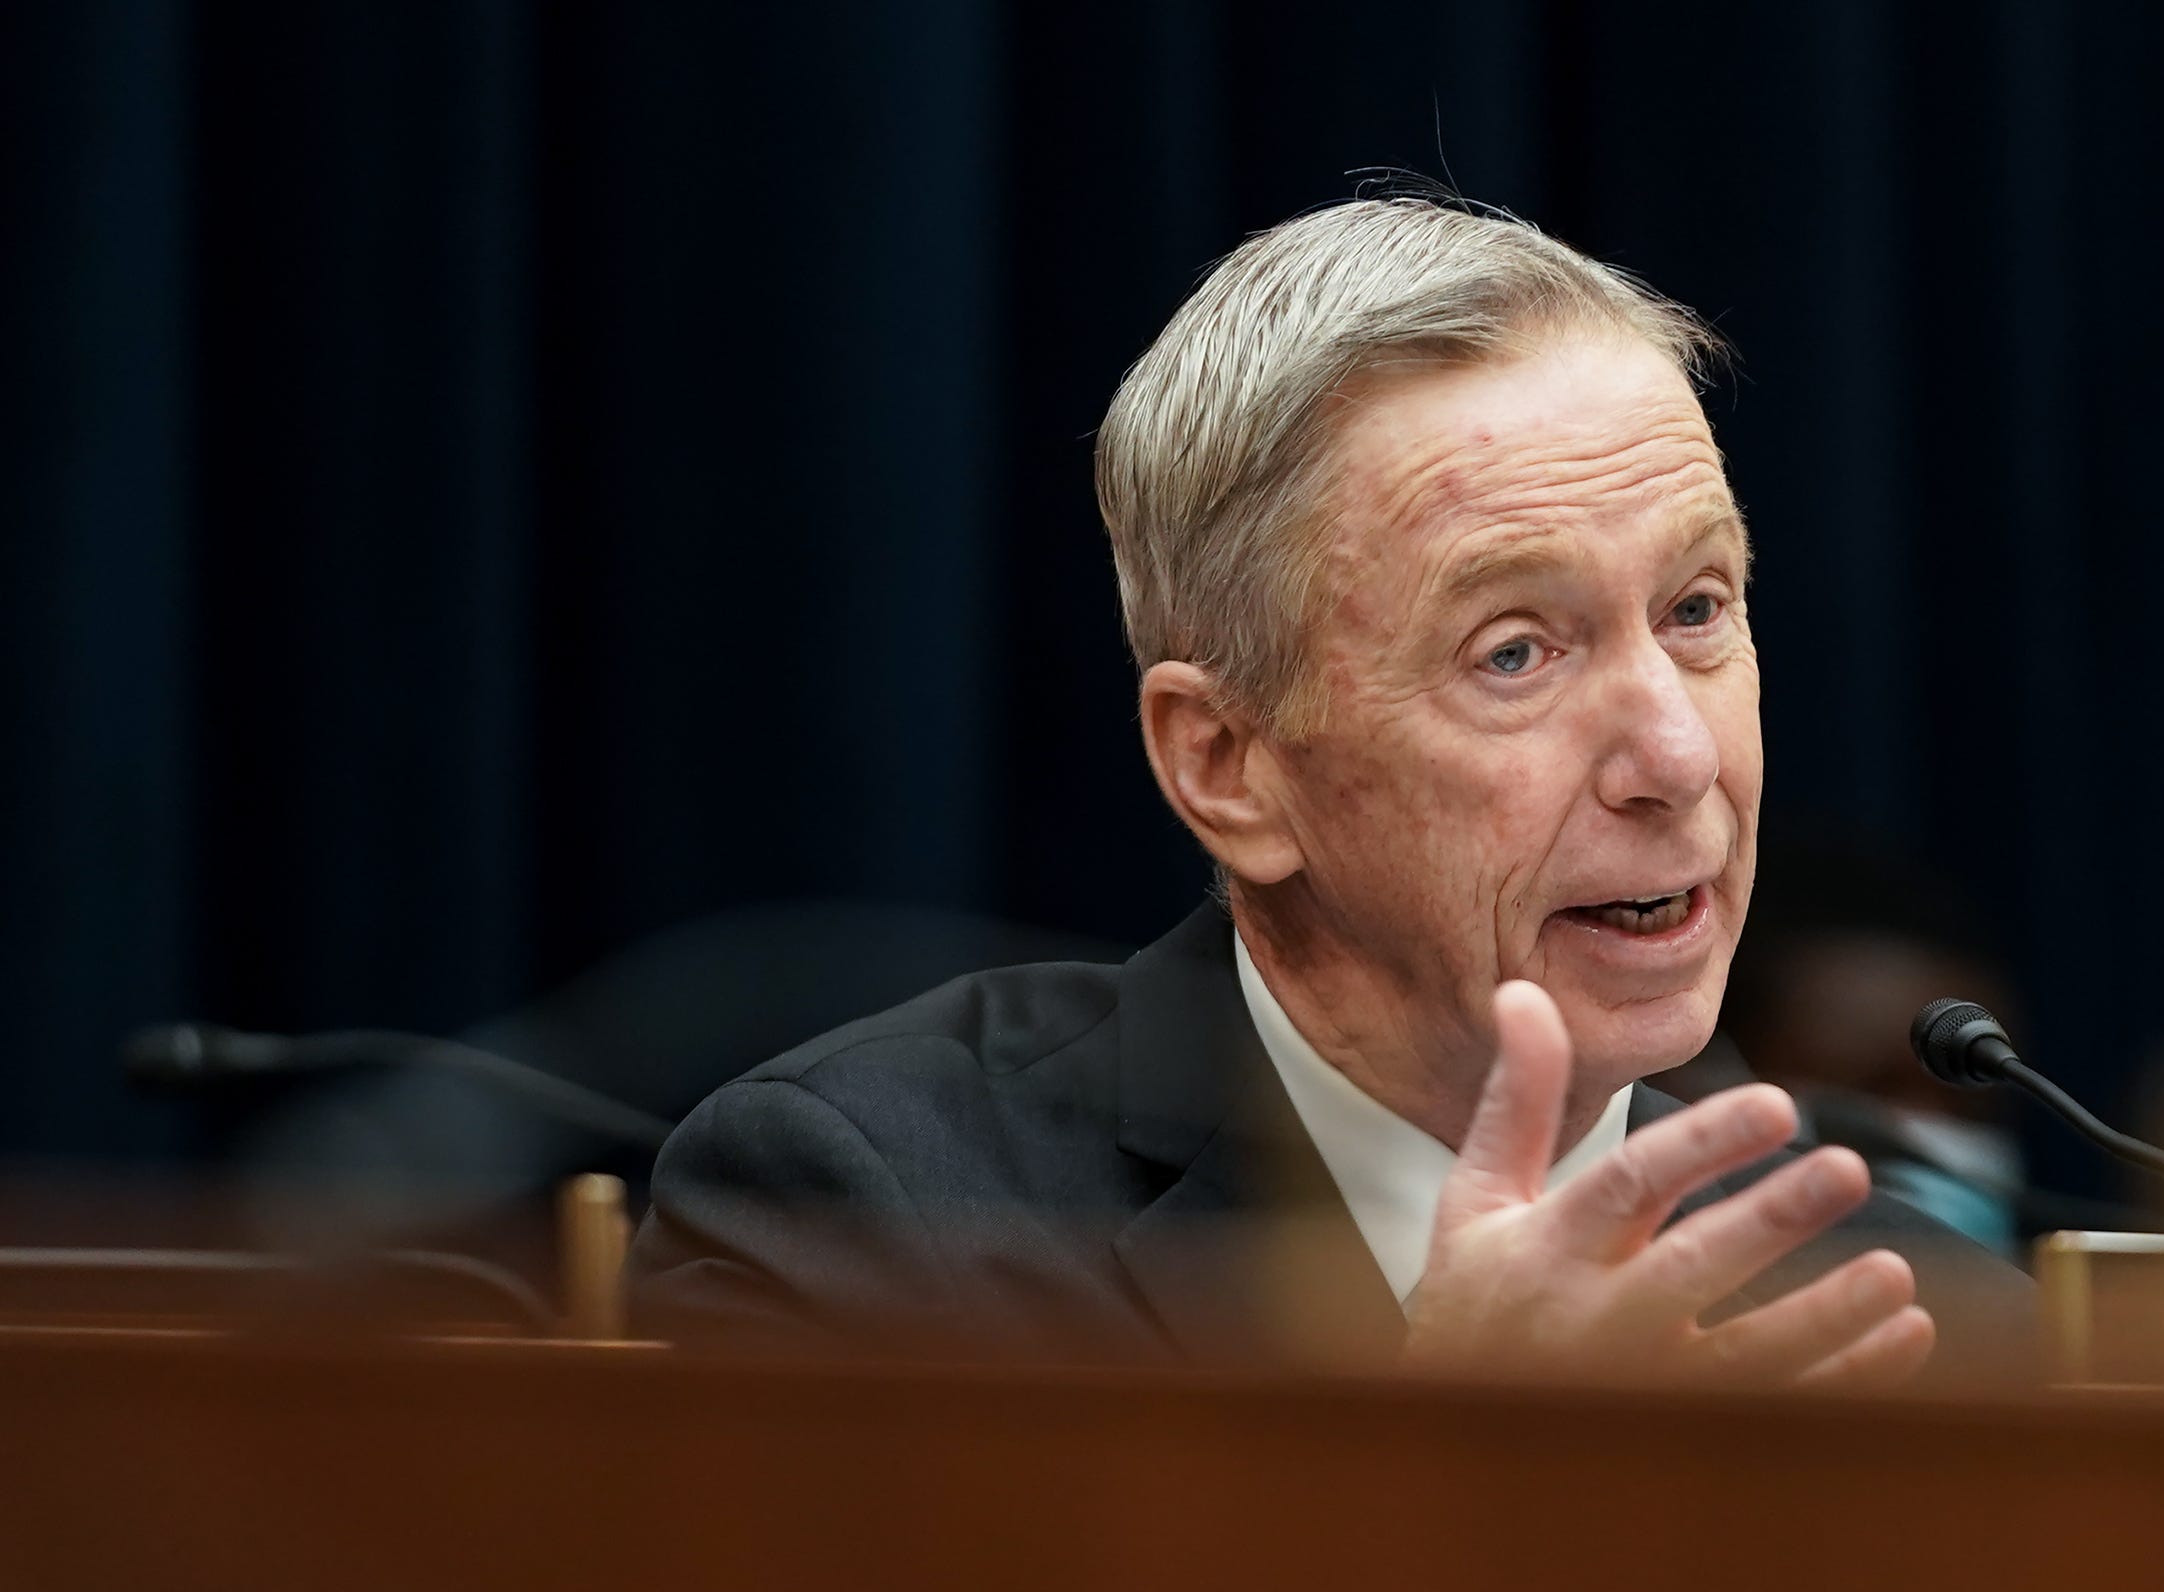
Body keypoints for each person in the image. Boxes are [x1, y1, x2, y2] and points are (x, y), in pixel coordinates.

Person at [631, 198, 2034, 1388]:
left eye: (1696, 608)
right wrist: (1452, 1476)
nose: (1675, 759)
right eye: (1516, 651)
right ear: (1226, 766)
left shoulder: (1915, 1307)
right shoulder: (869, 1215)